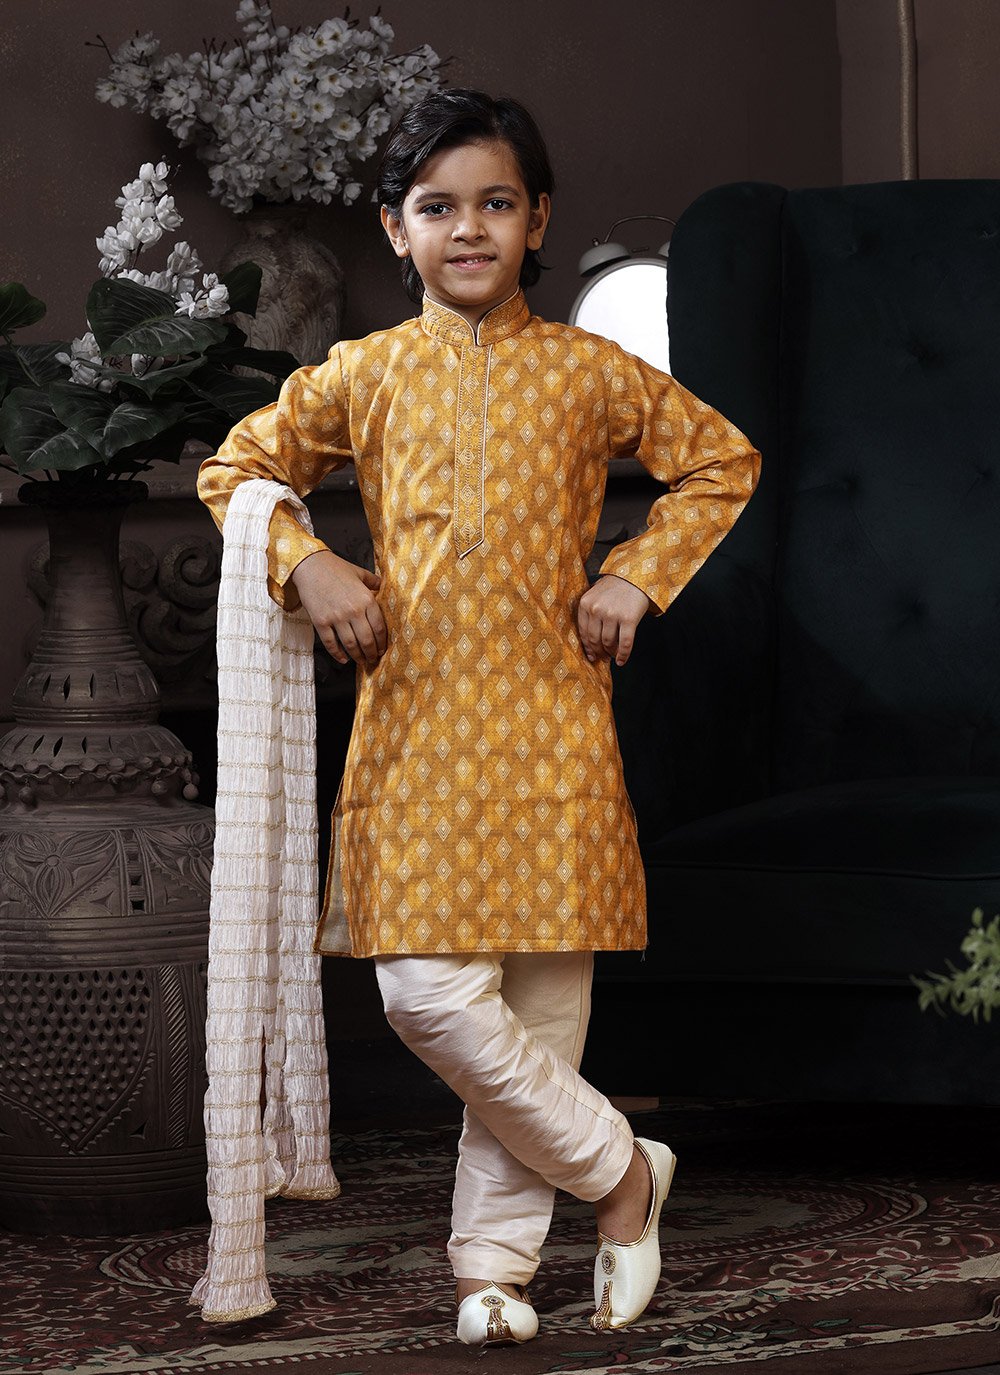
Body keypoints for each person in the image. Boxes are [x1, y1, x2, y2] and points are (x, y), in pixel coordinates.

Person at [197, 88, 761, 1346]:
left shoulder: (589, 372)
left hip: (555, 735)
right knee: (426, 997)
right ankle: (623, 1171)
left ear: (536, 220)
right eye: (438, 207)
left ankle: (491, 1274)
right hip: (413, 739)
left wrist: (634, 575)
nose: (468, 229)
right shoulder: (363, 374)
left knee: (541, 1023)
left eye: (495, 204)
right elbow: (236, 469)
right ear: (393, 229)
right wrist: (307, 563)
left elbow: (721, 460)